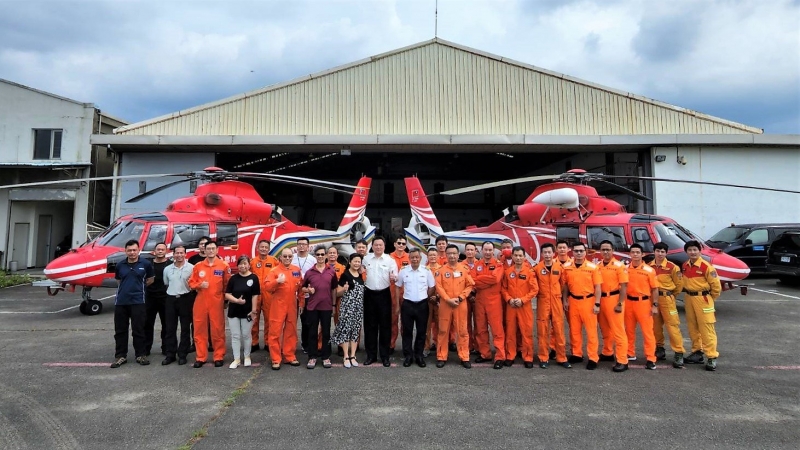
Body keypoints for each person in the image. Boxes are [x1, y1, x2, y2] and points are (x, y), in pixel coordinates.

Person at [111, 240, 154, 368]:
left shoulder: (145, 264)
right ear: (125, 251)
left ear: (138, 250)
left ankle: (140, 355)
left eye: (134, 250)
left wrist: (137, 289)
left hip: (138, 301)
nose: (132, 253)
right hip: (121, 302)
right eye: (129, 250)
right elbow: (119, 280)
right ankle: (120, 356)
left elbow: (150, 280)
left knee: (139, 330)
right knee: (120, 330)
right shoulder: (120, 265)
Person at [188, 240, 231, 368]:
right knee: (199, 329)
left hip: (216, 302)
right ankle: (201, 357)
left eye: (213, 248)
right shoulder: (198, 266)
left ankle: (218, 356)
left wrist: (225, 301)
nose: (211, 251)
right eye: (208, 249)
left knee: (217, 330)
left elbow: (227, 285)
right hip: (201, 301)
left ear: (217, 250)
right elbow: (191, 283)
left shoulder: (223, 266)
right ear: (204, 250)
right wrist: (199, 285)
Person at [681, 240, 722, 371]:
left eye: (695, 250)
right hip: (689, 298)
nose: (692, 252)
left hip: (703, 299)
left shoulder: (706, 267)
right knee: (692, 327)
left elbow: (716, 287)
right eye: (690, 250)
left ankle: (711, 356)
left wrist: (709, 299)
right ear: (686, 251)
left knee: (706, 328)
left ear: (700, 251)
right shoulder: (685, 265)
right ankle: (697, 352)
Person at [561, 241, 601, 370]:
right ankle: (577, 354)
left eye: (581, 251)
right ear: (572, 252)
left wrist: (597, 303)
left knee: (591, 332)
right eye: (576, 251)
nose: (579, 253)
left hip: (588, 301)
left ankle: (593, 357)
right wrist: (565, 300)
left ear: (585, 252)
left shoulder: (593, 267)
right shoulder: (567, 267)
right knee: (574, 330)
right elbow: (566, 285)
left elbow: (598, 287)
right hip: (573, 301)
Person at [434, 244, 475, 369]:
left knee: (462, 331)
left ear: (458, 255)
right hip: (445, 305)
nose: (452, 256)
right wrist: (447, 299)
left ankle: (464, 356)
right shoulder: (440, 271)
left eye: (454, 253)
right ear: (446, 255)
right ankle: (441, 356)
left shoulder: (464, 269)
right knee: (443, 331)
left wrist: (461, 297)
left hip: (460, 304)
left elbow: (470, 285)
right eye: (449, 253)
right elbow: (438, 287)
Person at [361, 236, 399, 367]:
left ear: (384, 246)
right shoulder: (366, 259)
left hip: (384, 294)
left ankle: (384, 356)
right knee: (369, 326)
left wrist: (394, 277)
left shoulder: (390, 260)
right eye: (376, 245)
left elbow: (395, 276)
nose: (378, 247)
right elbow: (360, 272)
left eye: (380, 245)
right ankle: (371, 355)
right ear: (372, 246)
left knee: (385, 326)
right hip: (369, 294)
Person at [264, 248, 304, 370]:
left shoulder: (296, 270)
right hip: (278, 305)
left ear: (292, 257)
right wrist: (277, 281)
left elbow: (301, 288)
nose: (287, 258)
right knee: (275, 332)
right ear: (280, 257)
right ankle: (276, 359)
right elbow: (266, 287)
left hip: (292, 304)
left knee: (291, 330)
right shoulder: (274, 271)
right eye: (285, 256)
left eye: (289, 256)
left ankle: (289, 355)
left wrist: (301, 303)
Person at [395, 248, 435, 368]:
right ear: (409, 258)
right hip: (407, 304)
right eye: (412, 257)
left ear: (420, 258)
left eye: (417, 257)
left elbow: (432, 286)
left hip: (422, 304)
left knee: (421, 331)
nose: (414, 259)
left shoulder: (426, 271)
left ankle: (419, 355)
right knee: (407, 331)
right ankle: (408, 356)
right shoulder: (403, 271)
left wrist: (426, 296)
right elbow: (397, 286)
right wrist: (397, 304)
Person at [533, 243, 570, 369]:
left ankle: (562, 357)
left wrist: (564, 300)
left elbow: (564, 285)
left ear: (554, 253)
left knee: (559, 331)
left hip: (556, 301)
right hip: (543, 302)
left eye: (549, 252)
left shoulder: (559, 267)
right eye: (545, 253)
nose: (547, 255)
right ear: (542, 254)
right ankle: (543, 357)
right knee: (543, 331)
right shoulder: (537, 269)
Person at [650, 242, 686, 368]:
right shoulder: (649, 267)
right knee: (655, 327)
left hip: (667, 299)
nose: (660, 254)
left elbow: (679, 285)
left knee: (672, 326)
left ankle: (678, 352)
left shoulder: (673, 267)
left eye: (663, 252)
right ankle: (659, 349)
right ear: (654, 251)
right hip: (653, 300)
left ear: (666, 253)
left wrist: (670, 296)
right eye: (658, 251)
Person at [471, 241, 507, 369]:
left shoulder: (498, 265)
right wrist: (486, 279)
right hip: (480, 300)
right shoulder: (477, 265)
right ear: (481, 251)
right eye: (485, 249)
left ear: (493, 251)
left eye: (490, 250)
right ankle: (485, 354)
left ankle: (500, 356)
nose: (487, 252)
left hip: (494, 300)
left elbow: (495, 279)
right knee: (481, 329)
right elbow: (473, 282)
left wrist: (480, 279)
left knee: (497, 330)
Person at [502, 246, 538, 368]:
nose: (518, 258)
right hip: (511, 306)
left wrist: (523, 300)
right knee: (510, 332)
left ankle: (528, 357)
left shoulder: (530, 272)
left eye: (520, 255)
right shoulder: (508, 272)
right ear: (512, 256)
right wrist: (509, 299)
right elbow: (503, 289)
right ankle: (510, 355)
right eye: (515, 255)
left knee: (526, 331)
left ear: (524, 257)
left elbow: (534, 290)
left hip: (524, 306)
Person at [303, 245, 338, 369]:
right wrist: (308, 289)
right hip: (312, 307)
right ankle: (312, 357)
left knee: (326, 332)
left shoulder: (331, 271)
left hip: (327, 307)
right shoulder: (309, 272)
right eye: (318, 254)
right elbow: (302, 287)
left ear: (326, 256)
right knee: (312, 332)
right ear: (315, 256)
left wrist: (333, 305)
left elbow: (334, 289)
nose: (320, 257)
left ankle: (325, 357)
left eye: (323, 254)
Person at [597, 240, 630, 372]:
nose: (605, 252)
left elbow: (624, 286)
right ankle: (607, 352)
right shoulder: (598, 266)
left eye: (608, 249)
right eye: (603, 249)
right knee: (605, 329)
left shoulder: (619, 266)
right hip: (602, 299)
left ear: (612, 250)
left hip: (614, 298)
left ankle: (622, 360)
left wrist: (620, 303)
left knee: (618, 331)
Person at [625, 243, 659, 370]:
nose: (635, 254)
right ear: (630, 254)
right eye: (633, 252)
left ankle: (650, 357)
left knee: (647, 332)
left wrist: (655, 305)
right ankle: (630, 352)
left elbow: (655, 289)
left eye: (637, 252)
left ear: (642, 254)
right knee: (628, 330)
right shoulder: (626, 269)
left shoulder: (649, 270)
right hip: (629, 302)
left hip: (643, 303)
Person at [225, 256, 260, 369]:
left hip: (248, 311)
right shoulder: (233, 278)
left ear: (249, 265)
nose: (243, 266)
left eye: (245, 263)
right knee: (235, 335)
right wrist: (237, 301)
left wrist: (254, 310)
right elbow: (227, 294)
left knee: (246, 335)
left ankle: (247, 356)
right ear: (237, 265)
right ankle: (236, 359)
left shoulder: (254, 278)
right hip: (234, 311)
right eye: (240, 264)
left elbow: (255, 295)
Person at [331, 253, 366, 368]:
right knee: (346, 330)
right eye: (354, 261)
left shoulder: (361, 275)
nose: (356, 263)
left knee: (355, 331)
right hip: (347, 307)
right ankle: (346, 356)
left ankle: (353, 355)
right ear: (350, 262)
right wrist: (344, 290)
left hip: (358, 307)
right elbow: (337, 293)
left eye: (358, 261)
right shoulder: (345, 275)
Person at [162, 245, 194, 365]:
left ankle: (182, 354)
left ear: (185, 254)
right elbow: (166, 283)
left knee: (185, 328)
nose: (179, 255)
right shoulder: (167, 269)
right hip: (171, 299)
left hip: (185, 298)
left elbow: (193, 284)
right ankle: (170, 354)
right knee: (170, 328)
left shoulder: (192, 268)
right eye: (177, 253)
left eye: (182, 253)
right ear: (173, 254)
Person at [250, 240, 279, 353]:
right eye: (261, 247)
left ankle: (268, 342)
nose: (263, 249)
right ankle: (254, 342)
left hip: (269, 294)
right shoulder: (252, 262)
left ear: (269, 249)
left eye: (266, 247)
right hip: (255, 295)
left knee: (269, 319)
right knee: (253, 319)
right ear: (257, 248)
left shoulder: (274, 261)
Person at [144, 242, 170, 357]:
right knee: (148, 324)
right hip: (150, 297)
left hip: (165, 298)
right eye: (158, 249)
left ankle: (166, 347)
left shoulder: (170, 265)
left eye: (162, 249)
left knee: (166, 324)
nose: (160, 251)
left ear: (166, 251)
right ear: (154, 251)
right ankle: (146, 348)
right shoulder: (148, 264)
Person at [292, 237, 316, 354]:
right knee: (291, 322)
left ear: (308, 246)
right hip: (293, 295)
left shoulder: (313, 260)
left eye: (304, 244)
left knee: (307, 322)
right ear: (297, 246)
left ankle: (305, 344)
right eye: (299, 244)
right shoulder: (291, 258)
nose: (301, 246)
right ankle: (290, 345)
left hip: (307, 295)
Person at [389, 235, 411, 353]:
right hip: (392, 293)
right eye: (399, 243)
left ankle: (406, 346)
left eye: (403, 243)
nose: (401, 245)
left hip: (407, 293)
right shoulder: (388, 258)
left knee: (406, 322)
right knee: (392, 321)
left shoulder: (410, 257)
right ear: (394, 244)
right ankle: (391, 345)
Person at [424, 247, 442, 356]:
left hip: (439, 301)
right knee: (426, 326)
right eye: (430, 255)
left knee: (440, 326)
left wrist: (438, 296)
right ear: (427, 257)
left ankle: (439, 346)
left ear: (438, 256)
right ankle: (426, 347)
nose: (432, 257)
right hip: (427, 300)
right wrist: (428, 296)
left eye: (434, 255)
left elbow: (445, 285)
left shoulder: (442, 269)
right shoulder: (424, 269)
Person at [462, 242, 479, 355]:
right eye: (467, 250)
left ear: (475, 251)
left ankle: (478, 347)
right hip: (465, 297)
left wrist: (475, 293)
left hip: (478, 297)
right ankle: (468, 346)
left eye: (472, 250)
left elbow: (483, 280)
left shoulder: (481, 264)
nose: (469, 252)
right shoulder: (461, 265)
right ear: (465, 251)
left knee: (479, 323)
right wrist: (468, 294)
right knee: (466, 323)